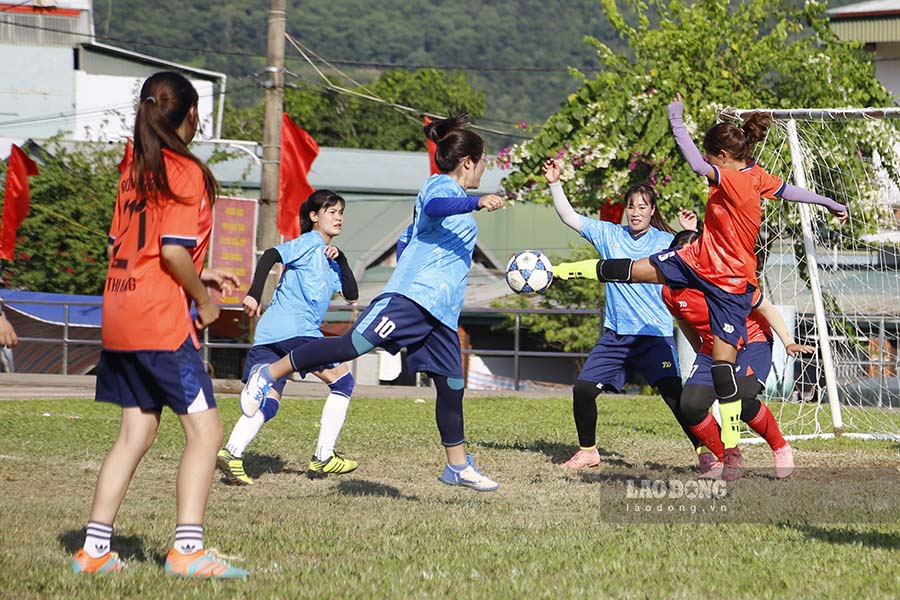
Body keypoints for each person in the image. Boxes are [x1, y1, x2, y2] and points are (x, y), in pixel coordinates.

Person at [582, 94, 847, 473]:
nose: (706, 163)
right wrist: (828, 202)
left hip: (735, 290)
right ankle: (723, 456)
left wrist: (676, 119)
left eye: (711, 158)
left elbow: (693, 162)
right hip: (707, 270)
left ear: (721, 157)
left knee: (737, 394)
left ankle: (758, 449)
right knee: (691, 404)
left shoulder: (737, 180)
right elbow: (789, 191)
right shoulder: (754, 174)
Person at [240, 114, 504, 491]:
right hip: (410, 300)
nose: (484, 169)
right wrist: (476, 202)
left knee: (452, 386)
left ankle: (457, 466)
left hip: (441, 314)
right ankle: (270, 373)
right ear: (468, 162)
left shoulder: (457, 200)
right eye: (483, 162)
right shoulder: (438, 187)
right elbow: (436, 208)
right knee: (351, 346)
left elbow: (409, 238)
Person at [72, 71, 247, 579]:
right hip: (157, 319)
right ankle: (187, 552)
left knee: (136, 431)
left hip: (119, 311)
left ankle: (94, 550)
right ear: (189, 114)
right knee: (207, 431)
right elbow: (171, 250)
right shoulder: (184, 170)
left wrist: (202, 269)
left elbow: (122, 247)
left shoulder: (134, 171)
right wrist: (203, 298)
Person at [543, 159, 702, 469]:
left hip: (654, 335)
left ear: (653, 211)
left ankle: (706, 453)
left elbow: (695, 258)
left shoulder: (665, 241)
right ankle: (588, 451)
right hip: (616, 336)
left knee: (675, 398)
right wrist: (554, 182)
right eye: (631, 206)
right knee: (583, 390)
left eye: (643, 207)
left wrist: (691, 232)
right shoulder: (608, 235)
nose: (636, 212)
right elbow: (568, 216)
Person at [217, 189, 360, 485]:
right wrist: (255, 294)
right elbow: (271, 254)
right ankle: (323, 457)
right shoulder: (308, 243)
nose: (338, 218)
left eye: (341, 212)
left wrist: (342, 259)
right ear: (313, 216)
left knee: (269, 403)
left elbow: (351, 295)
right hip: (296, 333)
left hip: (270, 334)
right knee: (343, 381)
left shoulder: (329, 258)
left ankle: (232, 453)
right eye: (331, 212)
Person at [663, 229, 813, 480]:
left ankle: (780, 447)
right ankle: (728, 458)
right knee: (690, 406)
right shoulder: (670, 291)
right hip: (713, 350)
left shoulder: (727, 276)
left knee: (740, 400)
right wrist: (701, 355)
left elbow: (766, 308)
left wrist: (788, 342)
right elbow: (686, 324)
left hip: (750, 343)